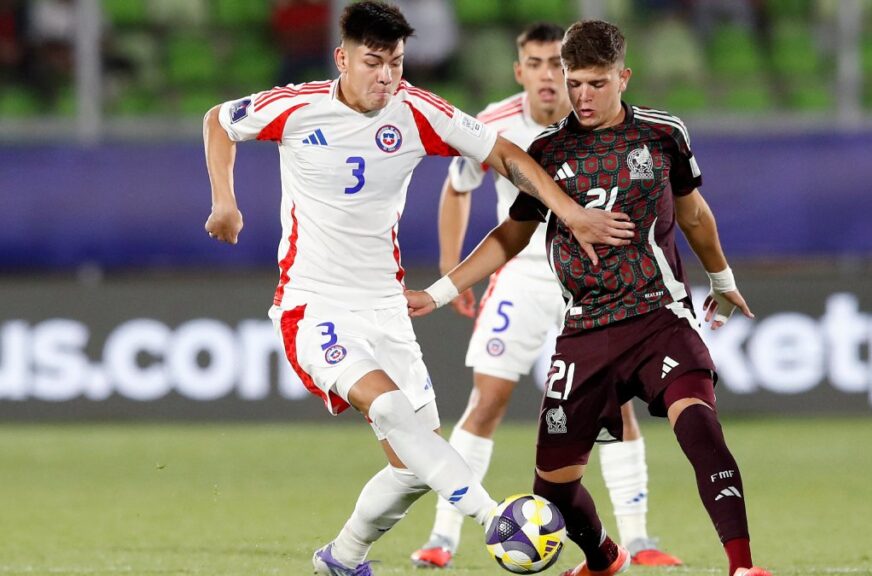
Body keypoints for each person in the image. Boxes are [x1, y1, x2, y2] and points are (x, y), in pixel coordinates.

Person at [201, 3, 634, 575]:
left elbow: (503, 154)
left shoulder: (416, 113)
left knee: (412, 464)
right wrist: (224, 200)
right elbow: (218, 120)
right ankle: (492, 517)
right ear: (343, 58)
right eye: (373, 62)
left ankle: (342, 557)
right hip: (314, 305)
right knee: (393, 411)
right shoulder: (297, 106)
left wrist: (569, 211)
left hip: (387, 306)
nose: (386, 77)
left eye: (397, 64)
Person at [406, 19, 771, 576]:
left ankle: (741, 565)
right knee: (552, 486)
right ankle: (605, 559)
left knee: (697, 421)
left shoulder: (663, 135)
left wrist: (722, 280)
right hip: (586, 328)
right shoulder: (545, 151)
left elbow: (694, 213)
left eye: (595, 83)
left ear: (623, 77)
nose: (581, 95)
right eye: (574, 82)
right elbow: (511, 233)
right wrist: (442, 288)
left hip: (658, 316)